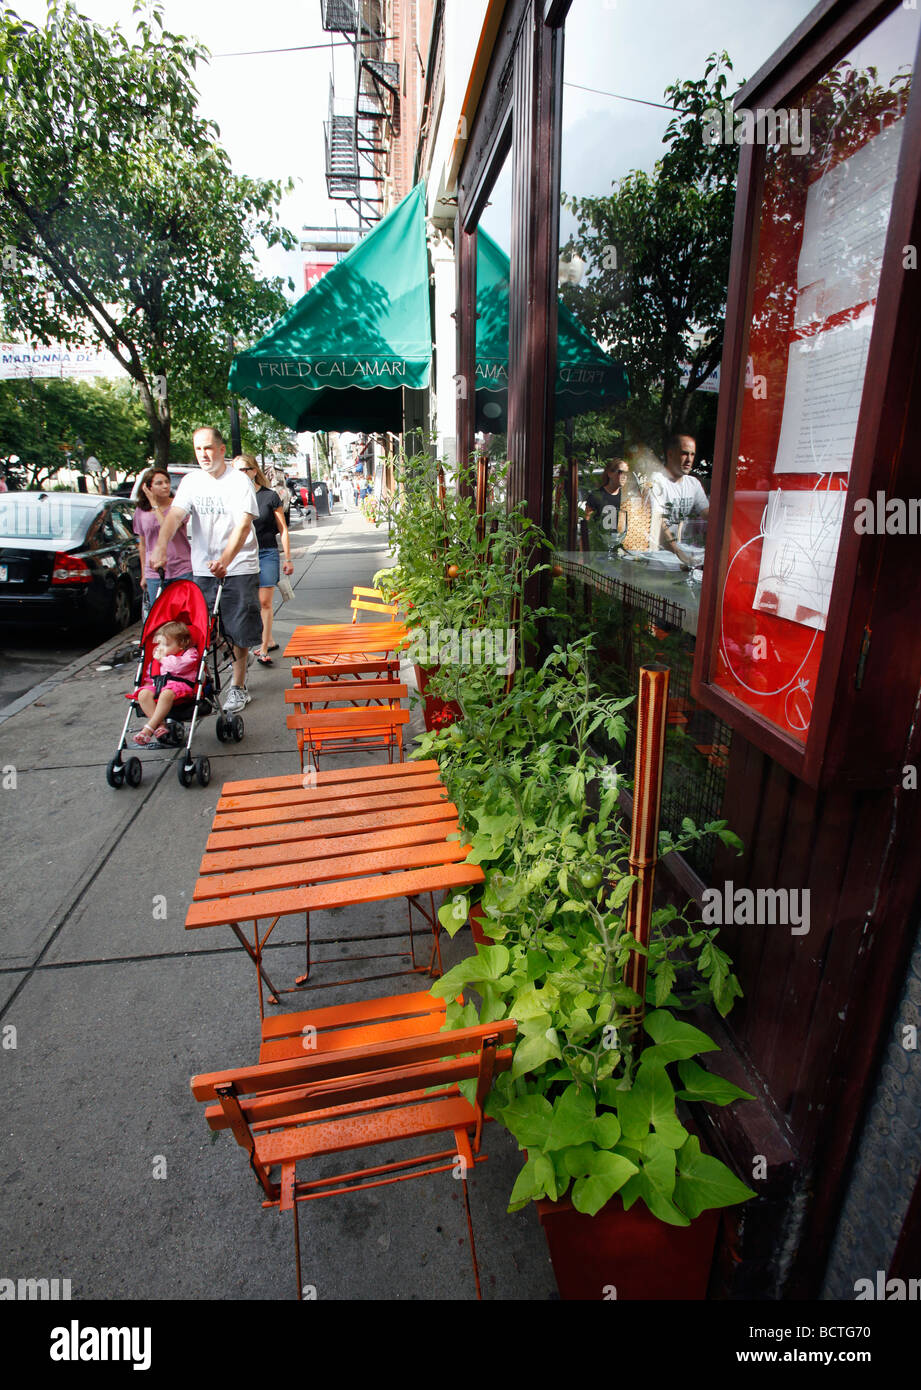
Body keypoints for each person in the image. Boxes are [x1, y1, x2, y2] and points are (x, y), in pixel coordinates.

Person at [150, 426, 261, 715]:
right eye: (198, 449)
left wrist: (225, 559)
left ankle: (238, 686)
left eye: (209, 448)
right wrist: (161, 546)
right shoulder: (191, 482)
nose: (203, 454)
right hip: (202, 569)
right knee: (203, 630)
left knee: (238, 629)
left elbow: (244, 525)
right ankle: (220, 669)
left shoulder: (239, 482)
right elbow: (175, 515)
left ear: (222, 449)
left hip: (238, 566)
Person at [232, 454, 294, 666]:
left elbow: (283, 529)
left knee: (264, 602)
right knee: (250, 603)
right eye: (236, 471)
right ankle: (269, 638)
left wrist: (288, 558)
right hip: (241, 555)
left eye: (245, 469)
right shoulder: (232, 498)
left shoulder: (270, 496)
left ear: (254, 470)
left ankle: (264, 648)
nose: (242, 474)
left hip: (267, 552)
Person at [131, 467, 193, 608]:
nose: (165, 486)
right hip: (154, 571)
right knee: (159, 614)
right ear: (148, 487)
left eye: (167, 482)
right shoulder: (141, 511)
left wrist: (155, 505)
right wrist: (143, 574)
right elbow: (143, 544)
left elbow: (168, 528)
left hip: (182, 568)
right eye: (159, 483)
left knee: (184, 613)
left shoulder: (178, 506)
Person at [133, 620, 199, 746]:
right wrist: (147, 686)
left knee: (166, 694)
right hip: (158, 685)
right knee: (143, 694)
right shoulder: (159, 658)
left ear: (181, 644)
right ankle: (160, 725)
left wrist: (162, 658)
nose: (161, 648)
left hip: (179, 686)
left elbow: (177, 667)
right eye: (159, 644)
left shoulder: (189, 654)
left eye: (167, 644)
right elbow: (150, 674)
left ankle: (149, 728)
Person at [649, 433, 709, 562]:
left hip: (683, 556)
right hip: (658, 558)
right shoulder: (656, 481)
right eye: (684, 453)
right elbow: (658, 521)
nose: (689, 459)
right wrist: (677, 551)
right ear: (670, 454)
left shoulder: (693, 483)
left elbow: (707, 514)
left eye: (692, 454)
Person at [584, 460, 630, 535]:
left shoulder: (627, 498)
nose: (624, 476)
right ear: (610, 473)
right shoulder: (596, 496)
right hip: (600, 544)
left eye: (626, 473)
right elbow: (586, 525)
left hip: (620, 544)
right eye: (620, 472)